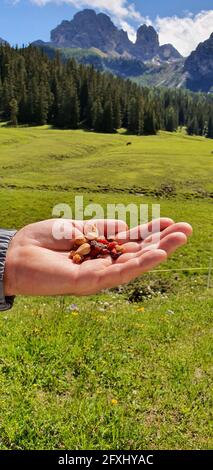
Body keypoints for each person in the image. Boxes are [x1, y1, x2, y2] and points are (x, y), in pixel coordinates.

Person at [0, 218, 192, 311]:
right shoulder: (85, 246)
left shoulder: (94, 244)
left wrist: (9, 256)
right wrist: (10, 255)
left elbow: (94, 244)